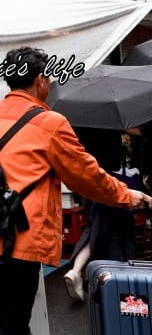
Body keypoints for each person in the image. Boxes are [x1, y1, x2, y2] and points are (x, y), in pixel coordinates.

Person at [0, 46, 151, 334]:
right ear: (40, 79)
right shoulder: (49, 123)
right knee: (11, 321)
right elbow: (85, 175)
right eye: (48, 77)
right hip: (19, 240)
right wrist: (126, 196)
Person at [62, 128, 142, 302]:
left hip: (89, 183)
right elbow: (112, 159)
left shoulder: (81, 127)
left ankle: (83, 272)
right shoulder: (108, 131)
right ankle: (88, 274)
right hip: (106, 183)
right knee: (109, 230)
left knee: (97, 228)